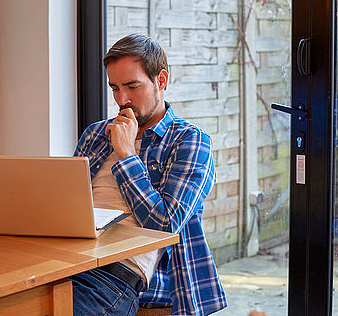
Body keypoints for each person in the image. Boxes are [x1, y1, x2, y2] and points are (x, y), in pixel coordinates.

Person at [70, 34, 227, 316]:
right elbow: (68, 207)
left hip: (115, 278)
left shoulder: (190, 141)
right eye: (114, 88)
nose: (122, 99)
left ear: (161, 80)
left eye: (132, 86)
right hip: (67, 261)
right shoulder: (95, 134)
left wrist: (127, 154)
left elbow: (164, 226)